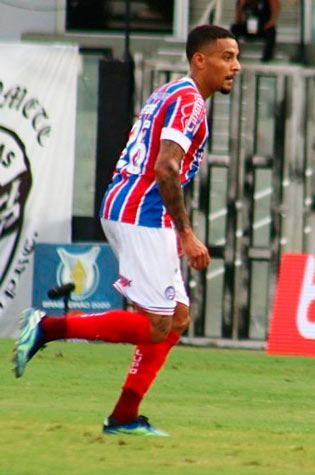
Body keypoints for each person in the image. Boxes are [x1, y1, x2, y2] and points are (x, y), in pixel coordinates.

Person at [13, 24, 241, 436]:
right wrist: (186, 234)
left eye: (237, 57)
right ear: (199, 60)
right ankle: (47, 327)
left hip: (129, 206)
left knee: (176, 320)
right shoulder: (189, 103)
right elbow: (166, 167)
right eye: (227, 57)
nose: (235, 66)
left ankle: (123, 416)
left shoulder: (169, 92)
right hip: (143, 213)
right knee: (156, 324)